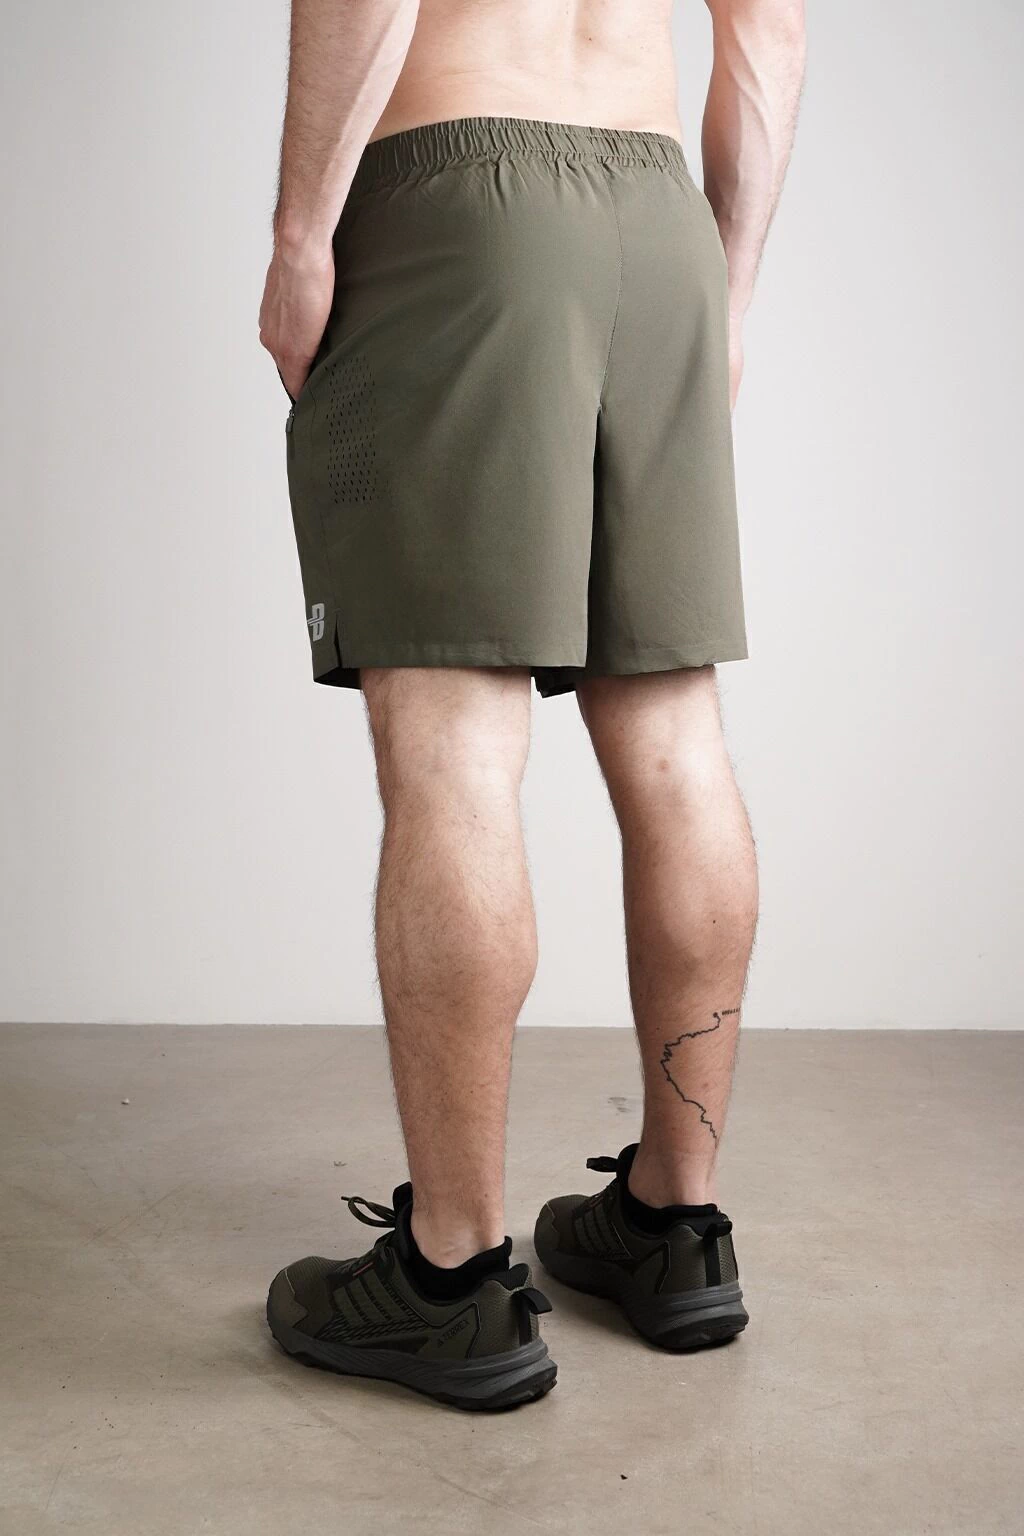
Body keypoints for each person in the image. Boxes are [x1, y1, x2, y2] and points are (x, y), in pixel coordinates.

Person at [260, 0, 805, 1410]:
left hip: (459, 197)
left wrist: (303, 235)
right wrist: (728, 286)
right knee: (674, 734)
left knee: (453, 738)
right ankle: (676, 1223)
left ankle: (451, 1280)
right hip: (660, 221)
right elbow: (769, 32)